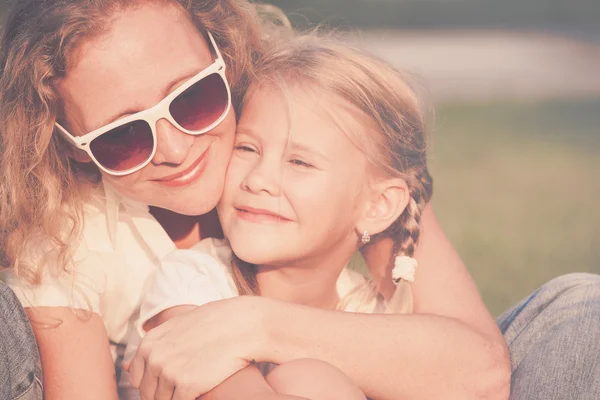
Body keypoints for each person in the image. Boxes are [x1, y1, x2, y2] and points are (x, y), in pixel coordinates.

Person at [0, 0, 598, 399]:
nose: (177, 149)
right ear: (75, 148)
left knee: (580, 311)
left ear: (222, 57)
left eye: (193, 98)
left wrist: (252, 324)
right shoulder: (65, 231)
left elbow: (479, 370)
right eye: (123, 136)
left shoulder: (313, 116)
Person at [131, 33, 436, 400]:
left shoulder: (372, 314)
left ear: (378, 206)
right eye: (247, 147)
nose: (258, 179)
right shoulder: (194, 283)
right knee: (310, 380)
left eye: (299, 161)